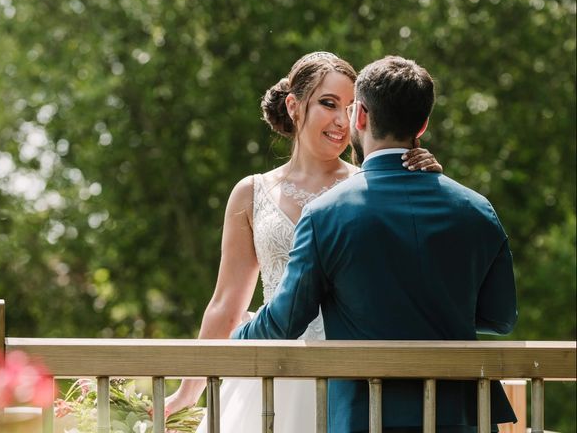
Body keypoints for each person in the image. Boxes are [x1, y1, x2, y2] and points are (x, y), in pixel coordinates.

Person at [232, 55, 518, 432]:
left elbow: (285, 320)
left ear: (360, 116)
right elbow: (501, 318)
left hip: (365, 416)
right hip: (460, 418)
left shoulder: (324, 214)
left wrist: (235, 341)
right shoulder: (478, 210)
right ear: (423, 124)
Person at [163, 52, 443, 433]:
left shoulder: (372, 186)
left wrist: (424, 180)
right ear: (294, 106)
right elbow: (226, 304)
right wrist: (187, 391)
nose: (342, 121)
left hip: (350, 381)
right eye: (328, 104)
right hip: (268, 377)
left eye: (350, 107)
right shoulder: (251, 193)